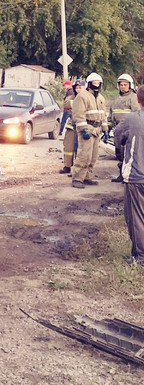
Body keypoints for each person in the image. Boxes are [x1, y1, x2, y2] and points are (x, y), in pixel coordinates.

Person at [111, 86, 144, 265]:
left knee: (136, 218)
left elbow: (118, 137)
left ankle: (140, 258)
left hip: (136, 177)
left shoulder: (132, 119)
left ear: (138, 100)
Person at [71, 72, 108, 188]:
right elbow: (78, 114)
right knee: (84, 155)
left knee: (93, 156)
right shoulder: (82, 96)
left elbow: (104, 115)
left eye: (98, 83)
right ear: (89, 84)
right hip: (87, 129)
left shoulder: (101, 98)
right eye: (94, 83)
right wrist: (83, 129)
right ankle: (77, 178)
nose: (96, 85)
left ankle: (87, 176)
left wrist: (105, 128)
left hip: (97, 130)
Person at [109, 74, 139, 182]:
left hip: (129, 130)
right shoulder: (116, 99)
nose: (123, 87)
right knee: (119, 152)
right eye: (121, 85)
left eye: (125, 84)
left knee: (130, 153)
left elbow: (137, 114)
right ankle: (121, 175)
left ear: (130, 85)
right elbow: (111, 114)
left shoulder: (133, 98)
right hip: (118, 130)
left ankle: (130, 175)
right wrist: (108, 127)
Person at [60, 80, 84, 174]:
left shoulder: (89, 97)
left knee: (81, 149)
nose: (78, 90)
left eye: (80, 87)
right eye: (76, 88)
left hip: (83, 126)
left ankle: (79, 170)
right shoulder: (71, 96)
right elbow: (66, 104)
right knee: (68, 147)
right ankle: (67, 166)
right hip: (71, 125)